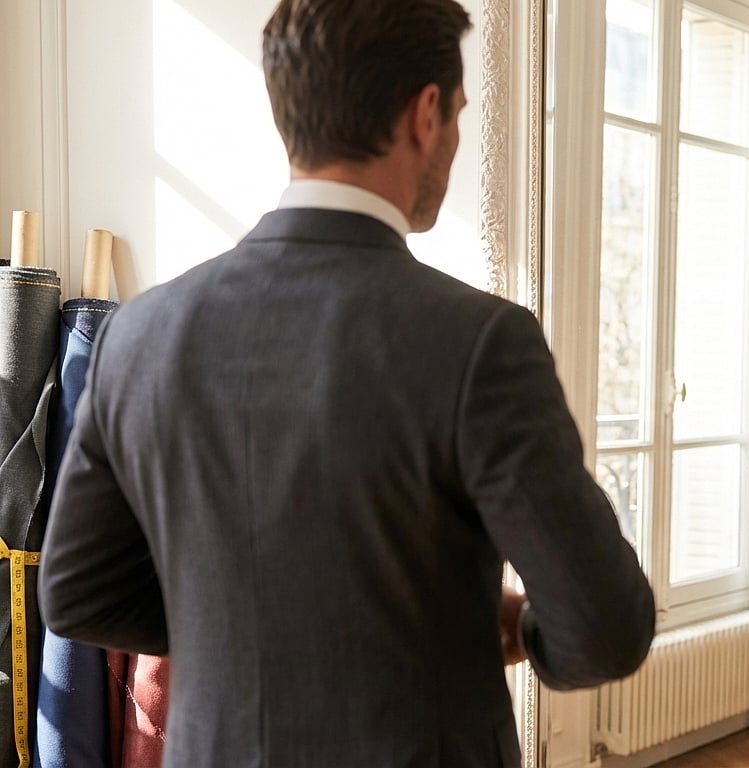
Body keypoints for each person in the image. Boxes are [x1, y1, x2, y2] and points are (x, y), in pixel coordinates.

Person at [38, 1, 655, 765]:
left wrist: (249, 631)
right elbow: (603, 628)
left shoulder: (137, 335)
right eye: (458, 114)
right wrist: (492, 627)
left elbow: (79, 593)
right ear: (425, 115)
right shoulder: (480, 342)